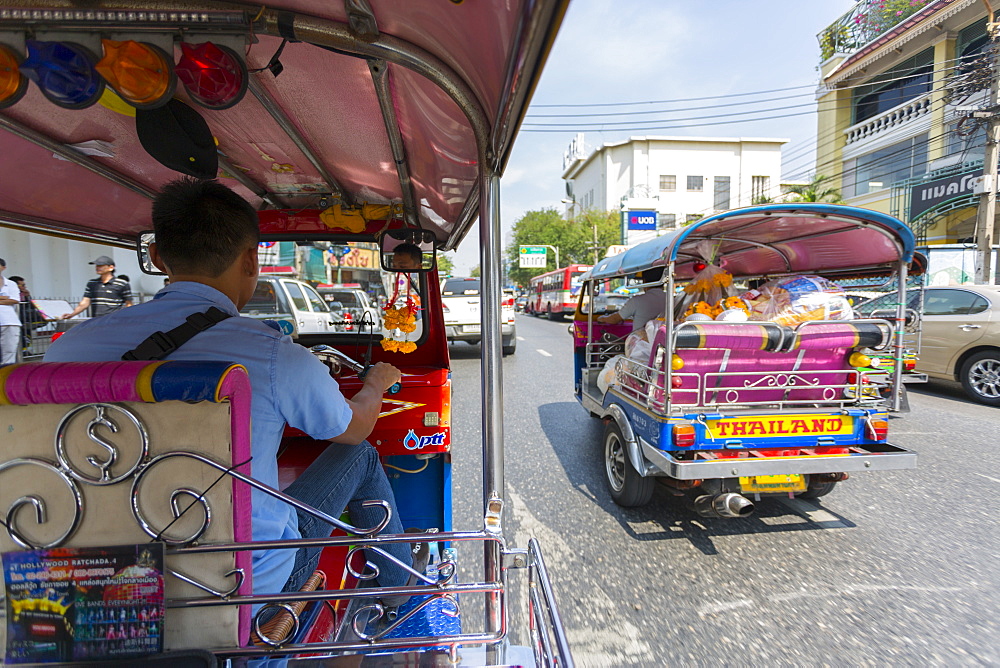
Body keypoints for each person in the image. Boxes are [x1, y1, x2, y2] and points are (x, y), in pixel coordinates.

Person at [45, 177, 417, 603]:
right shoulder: (272, 355)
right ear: (250, 259)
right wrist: (375, 383)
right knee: (360, 455)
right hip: (244, 586)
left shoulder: (69, 349)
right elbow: (354, 428)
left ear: (156, 256)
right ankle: (397, 595)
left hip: (103, 585)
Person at [60, 255, 132, 319]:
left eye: (101, 265)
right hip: (96, 321)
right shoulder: (92, 283)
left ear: (111, 267)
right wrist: (72, 314)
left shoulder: (122, 284)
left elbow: (129, 304)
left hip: (115, 321)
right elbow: (85, 303)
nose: (97, 268)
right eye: (97, 265)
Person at [596, 266, 666, 332]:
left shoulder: (637, 300)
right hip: (665, 340)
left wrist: (603, 318)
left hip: (642, 341)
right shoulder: (671, 300)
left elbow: (615, 319)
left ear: (644, 282)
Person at [8, 276, 44, 351]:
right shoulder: (9, 294)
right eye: (23, 285)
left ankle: (26, 350)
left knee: (26, 334)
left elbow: (31, 306)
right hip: (16, 319)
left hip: (26, 319)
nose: (25, 287)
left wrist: (28, 297)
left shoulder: (24, 295)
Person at [0, 258, 21, 365]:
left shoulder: (11, 284)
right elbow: (10, 299)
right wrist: (4, 298)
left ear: (3, 268)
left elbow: (15, 299)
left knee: (9, 351)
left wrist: (8, 299)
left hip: (9, 321)